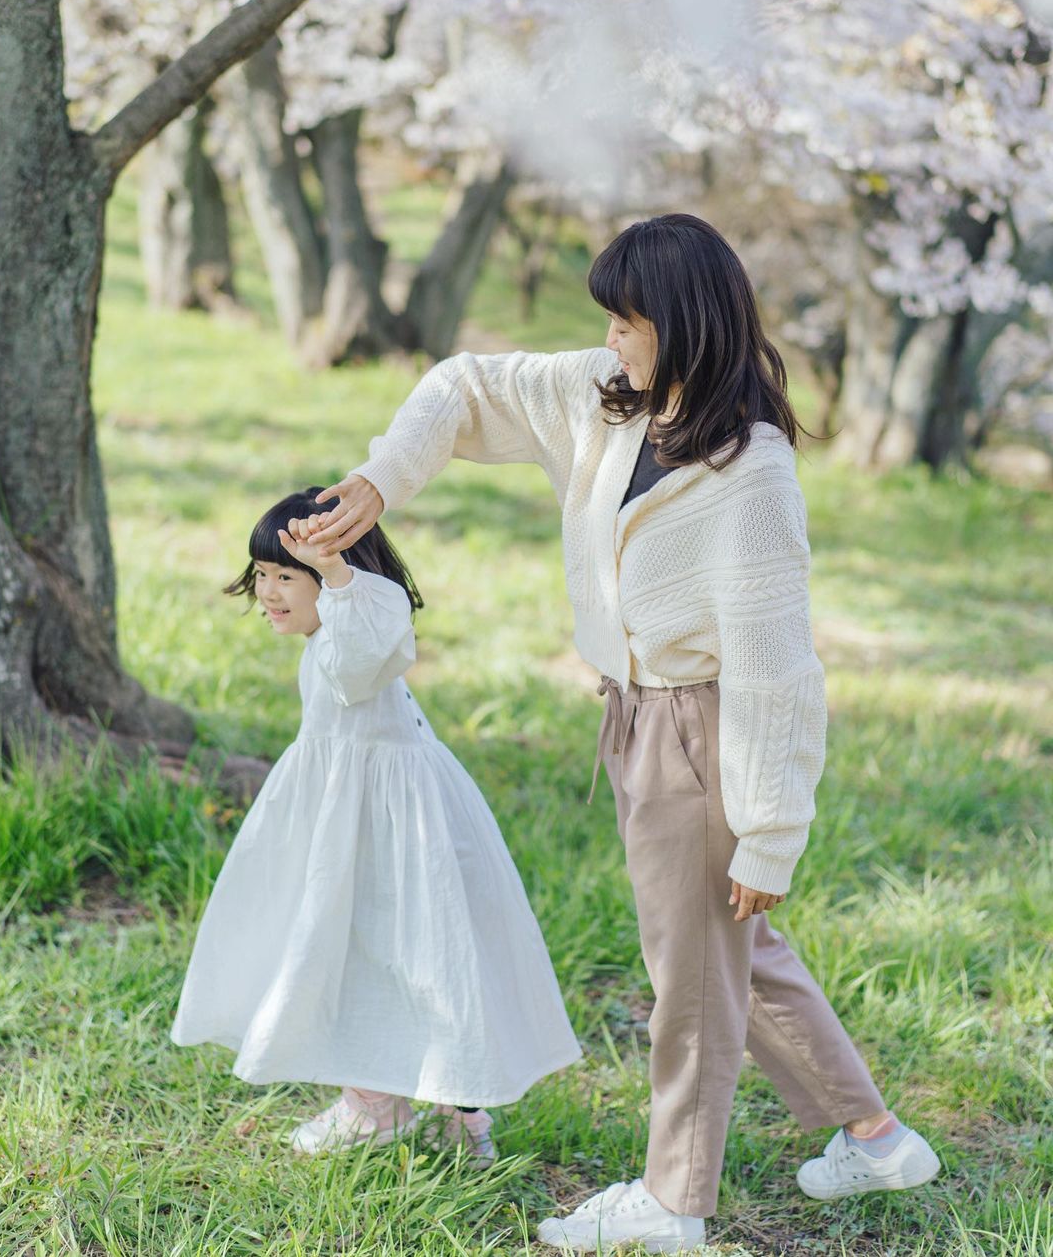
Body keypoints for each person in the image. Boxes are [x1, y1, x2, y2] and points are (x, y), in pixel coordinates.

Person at [298, 215, 942, 1252]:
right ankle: (874, 1138)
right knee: (731, 946)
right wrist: (386, 477)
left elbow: (780, 671)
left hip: (704, 737)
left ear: (683, 322)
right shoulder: (610, 400)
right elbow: (466, 384)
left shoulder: (752, 474)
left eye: (628, 320)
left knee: (690, 978)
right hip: (639, 719)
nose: (612, 337)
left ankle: (675, 1201)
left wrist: (772, 831)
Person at [170, 488, 581, 1164]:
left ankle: (446, 1106)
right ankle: (376, 1101)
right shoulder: (333, 632)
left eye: (287, 577)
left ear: (337, 576)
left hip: (394, 827)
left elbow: (369, 652)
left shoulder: (356, 629)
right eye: (265, 575)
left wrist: (333, 573)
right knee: (351, 948)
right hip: (345, 817)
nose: (270, 593)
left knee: (416, 951)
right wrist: (325, 578)